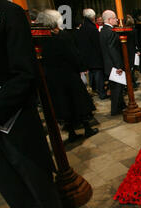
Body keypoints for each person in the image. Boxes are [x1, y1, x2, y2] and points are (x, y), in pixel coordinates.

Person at [0, 0, 67, 208]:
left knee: (35, 180)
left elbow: (25, 73)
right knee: (10, 187)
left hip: (12, 117)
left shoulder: (5, 12)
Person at [36, 9, 99, 143]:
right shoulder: (63, 36)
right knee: (78, 103)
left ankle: (71, 132)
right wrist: (80, 67)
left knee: (65, 105)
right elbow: (73, 54)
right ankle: (87, 128)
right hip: (69, 75)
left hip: (53, 79)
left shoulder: (41, 39)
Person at [76, 8, 107, 100]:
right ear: (93, 17)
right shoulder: (92, 28)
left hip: (86, 55)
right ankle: (101, 92)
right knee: (98, 74)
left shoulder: (82, 27)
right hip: (95, 55)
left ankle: (94, 89)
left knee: (92, 73)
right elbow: (97, 43)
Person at [100, 10, 126, 116]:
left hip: (108, 64)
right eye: (115, 18)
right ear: (110, 20)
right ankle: (115, 110)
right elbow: (113, 50)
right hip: (113, 65)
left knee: (116, 87)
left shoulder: (103, 31)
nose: (116, 20)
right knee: (116, 89)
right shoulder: (110, 32)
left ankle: (121, 105)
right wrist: (118, 66)